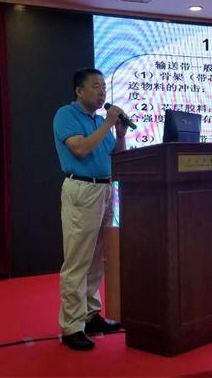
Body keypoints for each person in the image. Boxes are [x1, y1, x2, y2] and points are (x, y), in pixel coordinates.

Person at [52, 68, 127, 351]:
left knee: (97, 259)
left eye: (104, 87)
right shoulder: (66, 115)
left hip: (105, 189)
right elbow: (80, 149)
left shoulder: (99, 122)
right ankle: (72, 326)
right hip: (82, 189)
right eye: (96, 86)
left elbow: (118, 158)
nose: (102, 91)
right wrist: (108, 124)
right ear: (79, 91)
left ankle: (90, 315)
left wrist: (119, 133)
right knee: (78, 260)